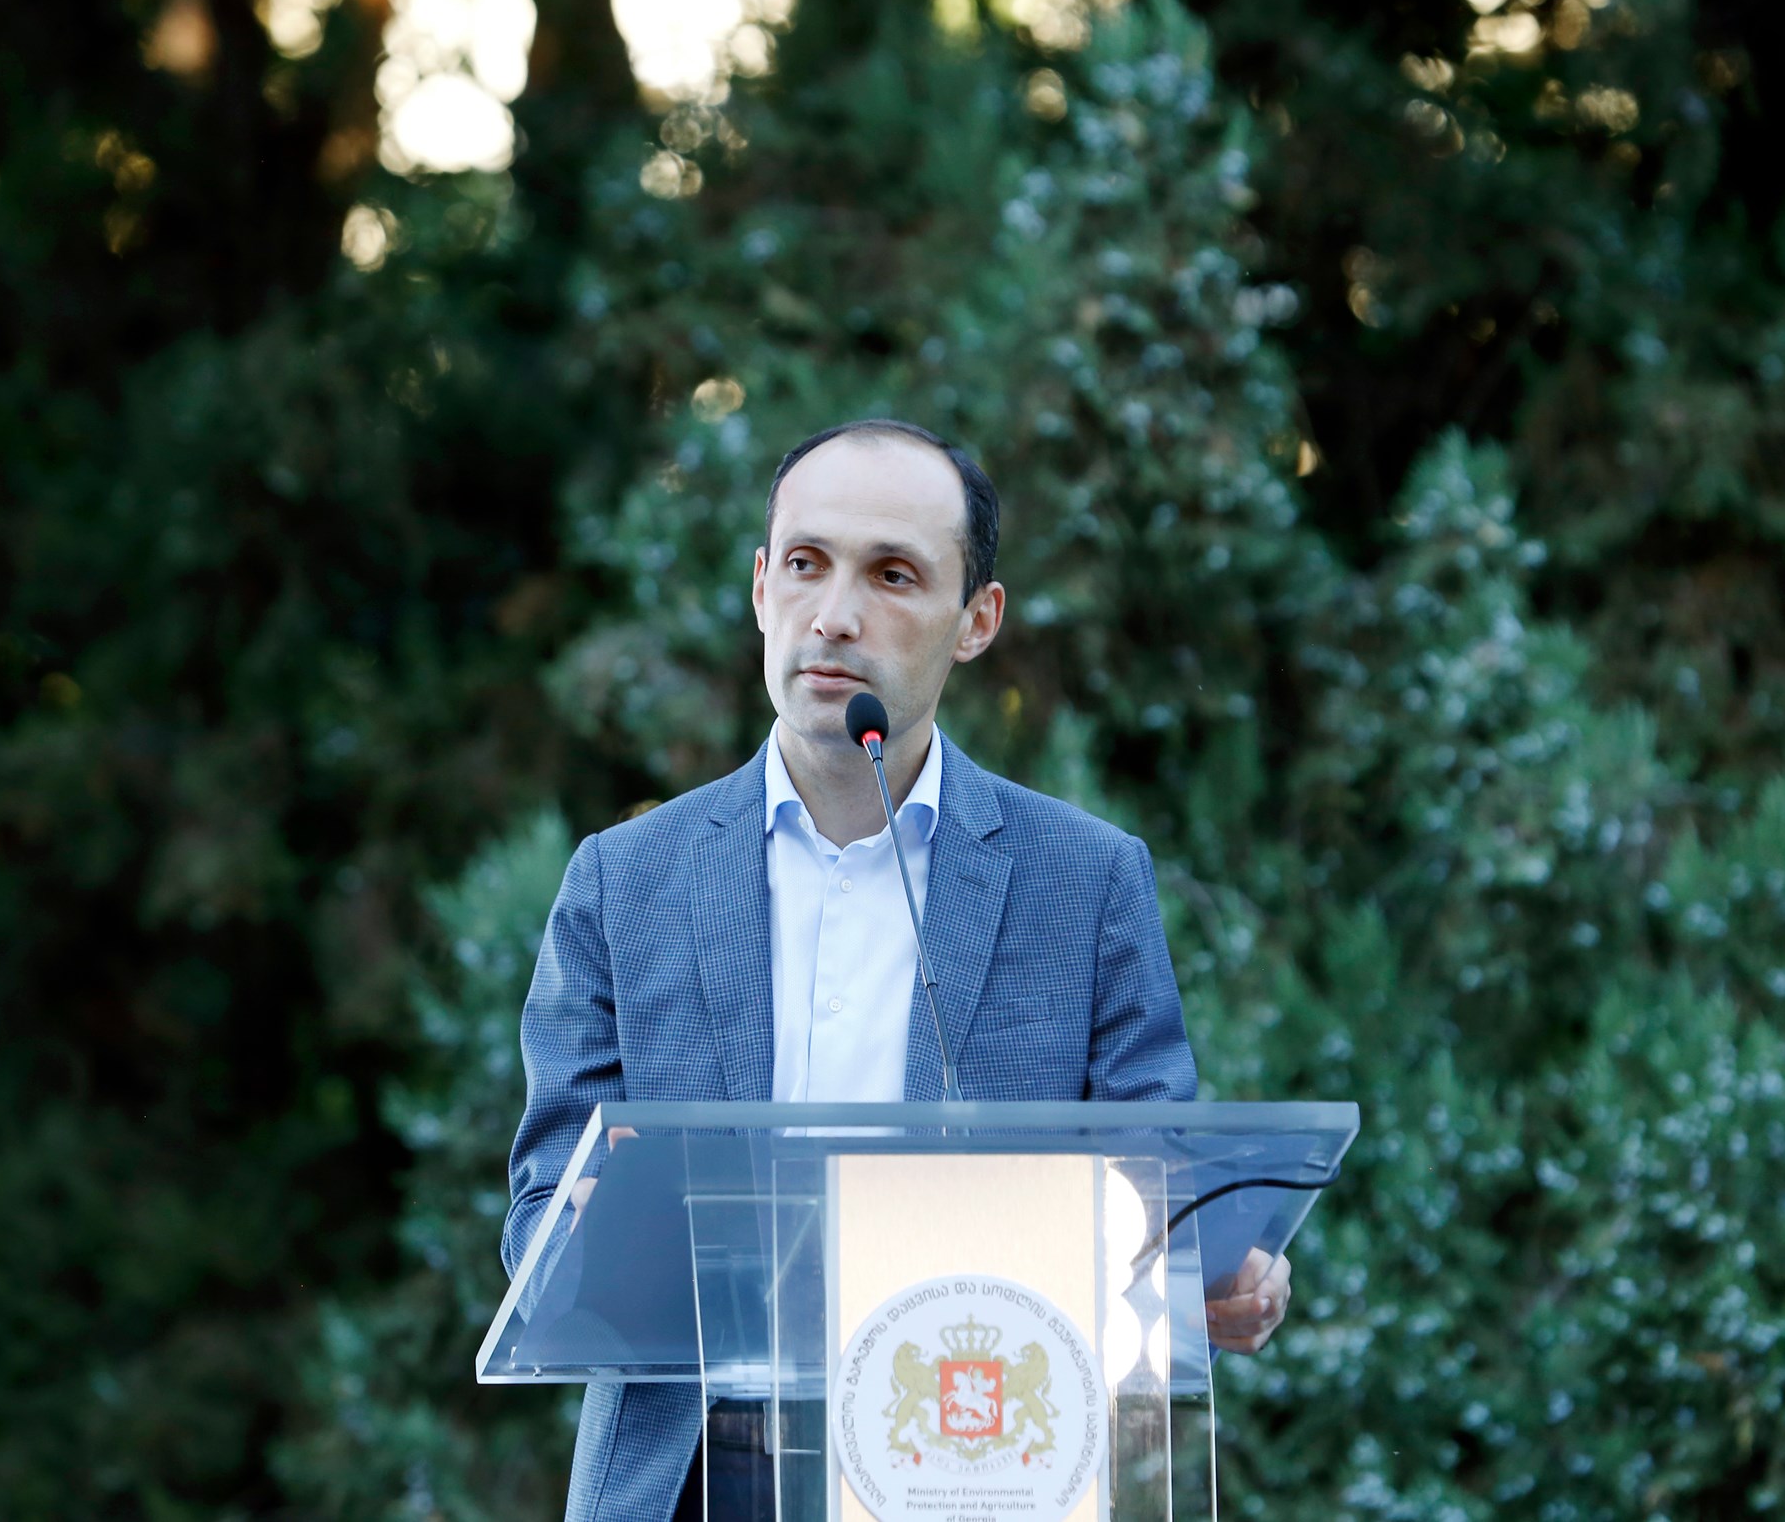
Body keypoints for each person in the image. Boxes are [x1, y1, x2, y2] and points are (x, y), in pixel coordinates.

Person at [503, 419, 1294, 1522]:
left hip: (974, 1460)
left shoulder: (1086, 881)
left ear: (976, 621)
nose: (834, 614)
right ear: (760, 589)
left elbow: (1150, 1193)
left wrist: (1216, 1270)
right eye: (804, 563)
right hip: (688, 1482)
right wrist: (618, 1239)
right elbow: (542, 1217)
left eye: (891, 575)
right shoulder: (621, 882)